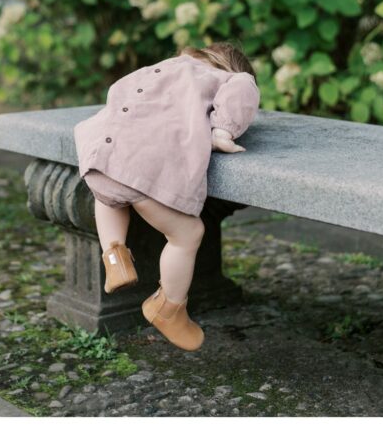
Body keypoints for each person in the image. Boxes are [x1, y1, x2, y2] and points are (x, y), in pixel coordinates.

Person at [73, 41, 261, 351]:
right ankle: (168, 308)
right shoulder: (227, 78)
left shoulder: (159, 70)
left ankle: (115, 256)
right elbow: (242, 90)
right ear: (226, 66)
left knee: (109, 195)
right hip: (142, 163)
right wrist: (223, 131)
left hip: (97, 148)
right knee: (188, 233)